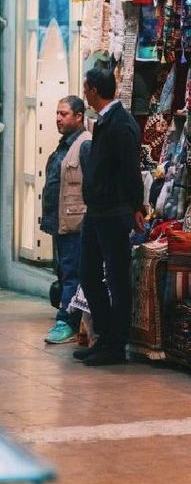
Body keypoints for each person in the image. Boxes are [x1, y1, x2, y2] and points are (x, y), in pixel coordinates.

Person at [75, 67, 145, 366]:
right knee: (89, 273)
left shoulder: (120, 124)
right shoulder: (106, 122)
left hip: (114, 212)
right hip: (98, 212)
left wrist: (137, 206)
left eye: (85, 88)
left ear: (93, 91)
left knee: (116, 279)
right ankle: (105, 336)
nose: (84, 93)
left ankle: (115, 345)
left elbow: (131, 168)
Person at [41, 96, 92, 344]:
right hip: (61, 222)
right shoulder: (65, 144)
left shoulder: (84, 144)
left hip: (75, 223)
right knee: (65, 271)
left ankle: (67, 320)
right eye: (57, 113)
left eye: (64, 114)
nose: (59, 118)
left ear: (79, 116)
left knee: (73, 272)